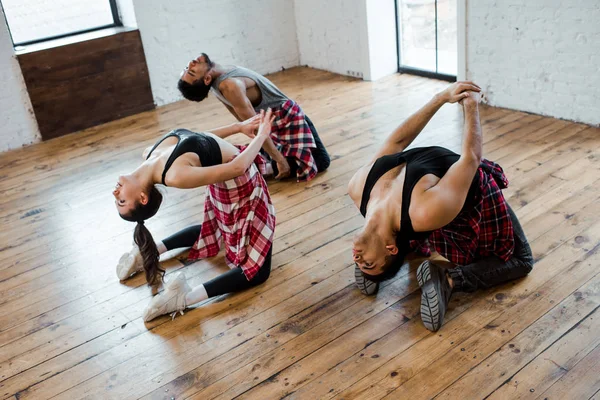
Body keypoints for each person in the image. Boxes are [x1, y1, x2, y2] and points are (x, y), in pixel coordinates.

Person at [347, 82, 534, 332]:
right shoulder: (424, 212)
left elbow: (398, 140)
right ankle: (447, 279)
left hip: (450, 201)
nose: (356, 257)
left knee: (408, 223)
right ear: (390, 248)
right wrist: (470, 106)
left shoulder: (359, 188)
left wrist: (440, 98)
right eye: (366, 263)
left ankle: (405, 253)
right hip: (455, 200)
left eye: (360, 261)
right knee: (521, 260)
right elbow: (471, 157)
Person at [113, 110, 277, 322]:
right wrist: (261, 135)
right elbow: (237, 167)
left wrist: (238, 127)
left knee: (214, 230)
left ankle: (146, 253)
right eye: (122, 201)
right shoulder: (174, 174)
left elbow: (198, 139)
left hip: (223, 181)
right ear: (143, 198)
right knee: (258, 271)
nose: (114, 193)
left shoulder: (149, 153)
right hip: (237, 182)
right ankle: (184, 297)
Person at [177, 53, 330, 181]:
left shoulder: (218, 83)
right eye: (192, 71)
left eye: (187, 68)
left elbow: (245, 121)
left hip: (281, 117)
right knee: (322, 163)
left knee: (313, 159)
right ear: (206, 79)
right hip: (282, 118)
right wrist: (279, 159)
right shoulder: (228, 86)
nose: (191, 63)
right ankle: (269, 166)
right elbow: (253, 124)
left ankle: (266, 164)